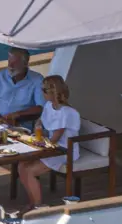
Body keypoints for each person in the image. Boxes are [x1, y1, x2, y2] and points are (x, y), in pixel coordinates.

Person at [0, 47, 46, 203]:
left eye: (14, 62)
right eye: (9, 61)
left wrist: (17, 115)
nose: (10, 65)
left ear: (25, 64)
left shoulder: (36, 80)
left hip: (22, 125)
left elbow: (40, 107)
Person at [18, 75, 81, 211]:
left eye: (44, 90)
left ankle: (38, 206)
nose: (42, 93)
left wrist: (36, 145)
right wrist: (38, 125)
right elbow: (42, 120)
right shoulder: (49, 106)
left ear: (53, 92)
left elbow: (55, 139)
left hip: (64, 150)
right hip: (51, 147)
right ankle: (32, 201)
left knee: (29, 170)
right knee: (21, 165)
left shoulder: (67, 113)